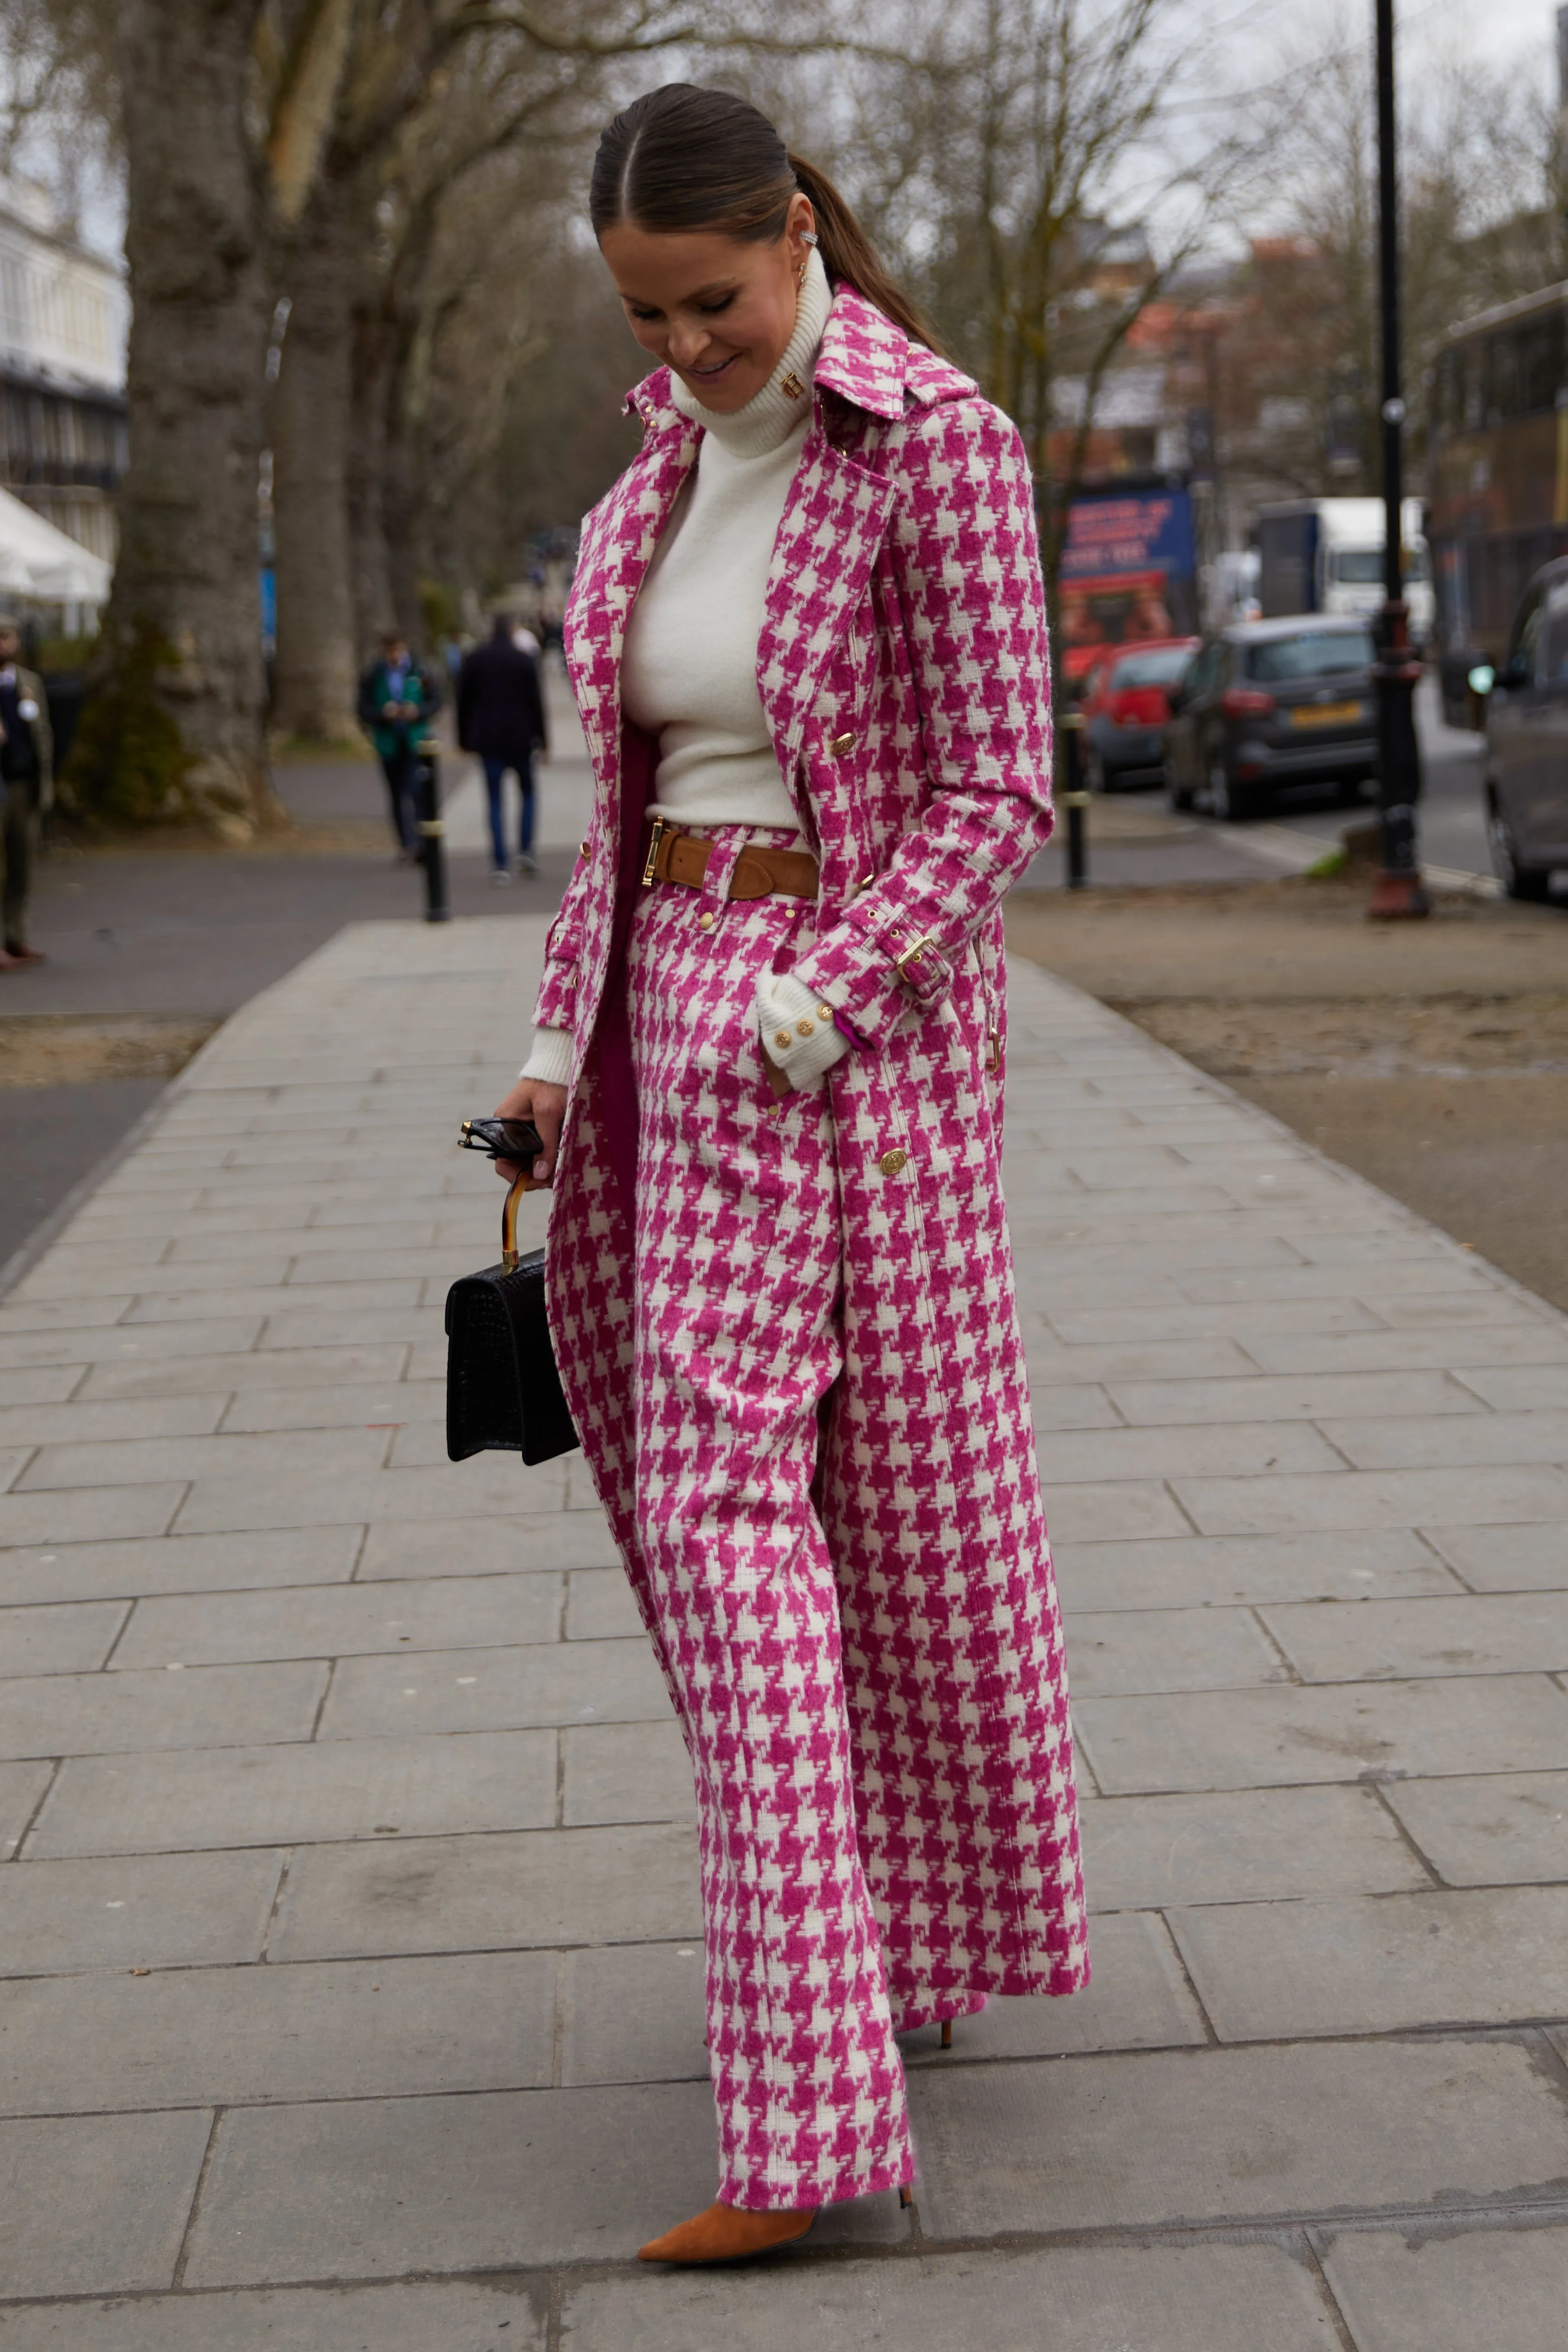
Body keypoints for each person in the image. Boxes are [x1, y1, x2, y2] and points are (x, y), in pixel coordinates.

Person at [489, 84, 1087, 2265]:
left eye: (713, 300)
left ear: (797, 235)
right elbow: (621, 812)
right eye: (650, 313)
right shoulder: (649, 482)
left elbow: (1003, 780)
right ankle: (888, 1958)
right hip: (666, 1025)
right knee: (772, 1519)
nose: (690, 345)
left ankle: (808, 2110)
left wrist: (811, 999)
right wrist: (559, 1049)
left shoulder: (937, 442)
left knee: (771, 1527)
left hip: (841, 1045)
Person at [456, 612, 549, 881]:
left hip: (488, 739)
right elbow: (536, 703)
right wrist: (543, 740)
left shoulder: (475, 659)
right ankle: (526, 849)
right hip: (521, 736)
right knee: (528, 792)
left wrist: (463, 738)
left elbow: (464, 702)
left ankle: (499, 862)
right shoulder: (523, 660)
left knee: (495, 799)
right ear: (512, 631)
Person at [356, 630, 442, 858]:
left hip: (416, 740)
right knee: (396, 792)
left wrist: (418, 712)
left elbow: (435, 700)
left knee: (417, 788)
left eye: (398, 650)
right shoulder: (374, 674)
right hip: (389, 741)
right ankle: (406, 842)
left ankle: (423, 840)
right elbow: (363, 709)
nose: (394, 655)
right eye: (390, 651)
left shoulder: (420, 670)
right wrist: (384, 714)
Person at [0, 616, 52, 970]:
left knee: (22, 862)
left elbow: (44, 734)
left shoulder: (28, 682)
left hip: (24, 784)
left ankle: (15, 935)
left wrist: (45, 782)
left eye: (6, 637)